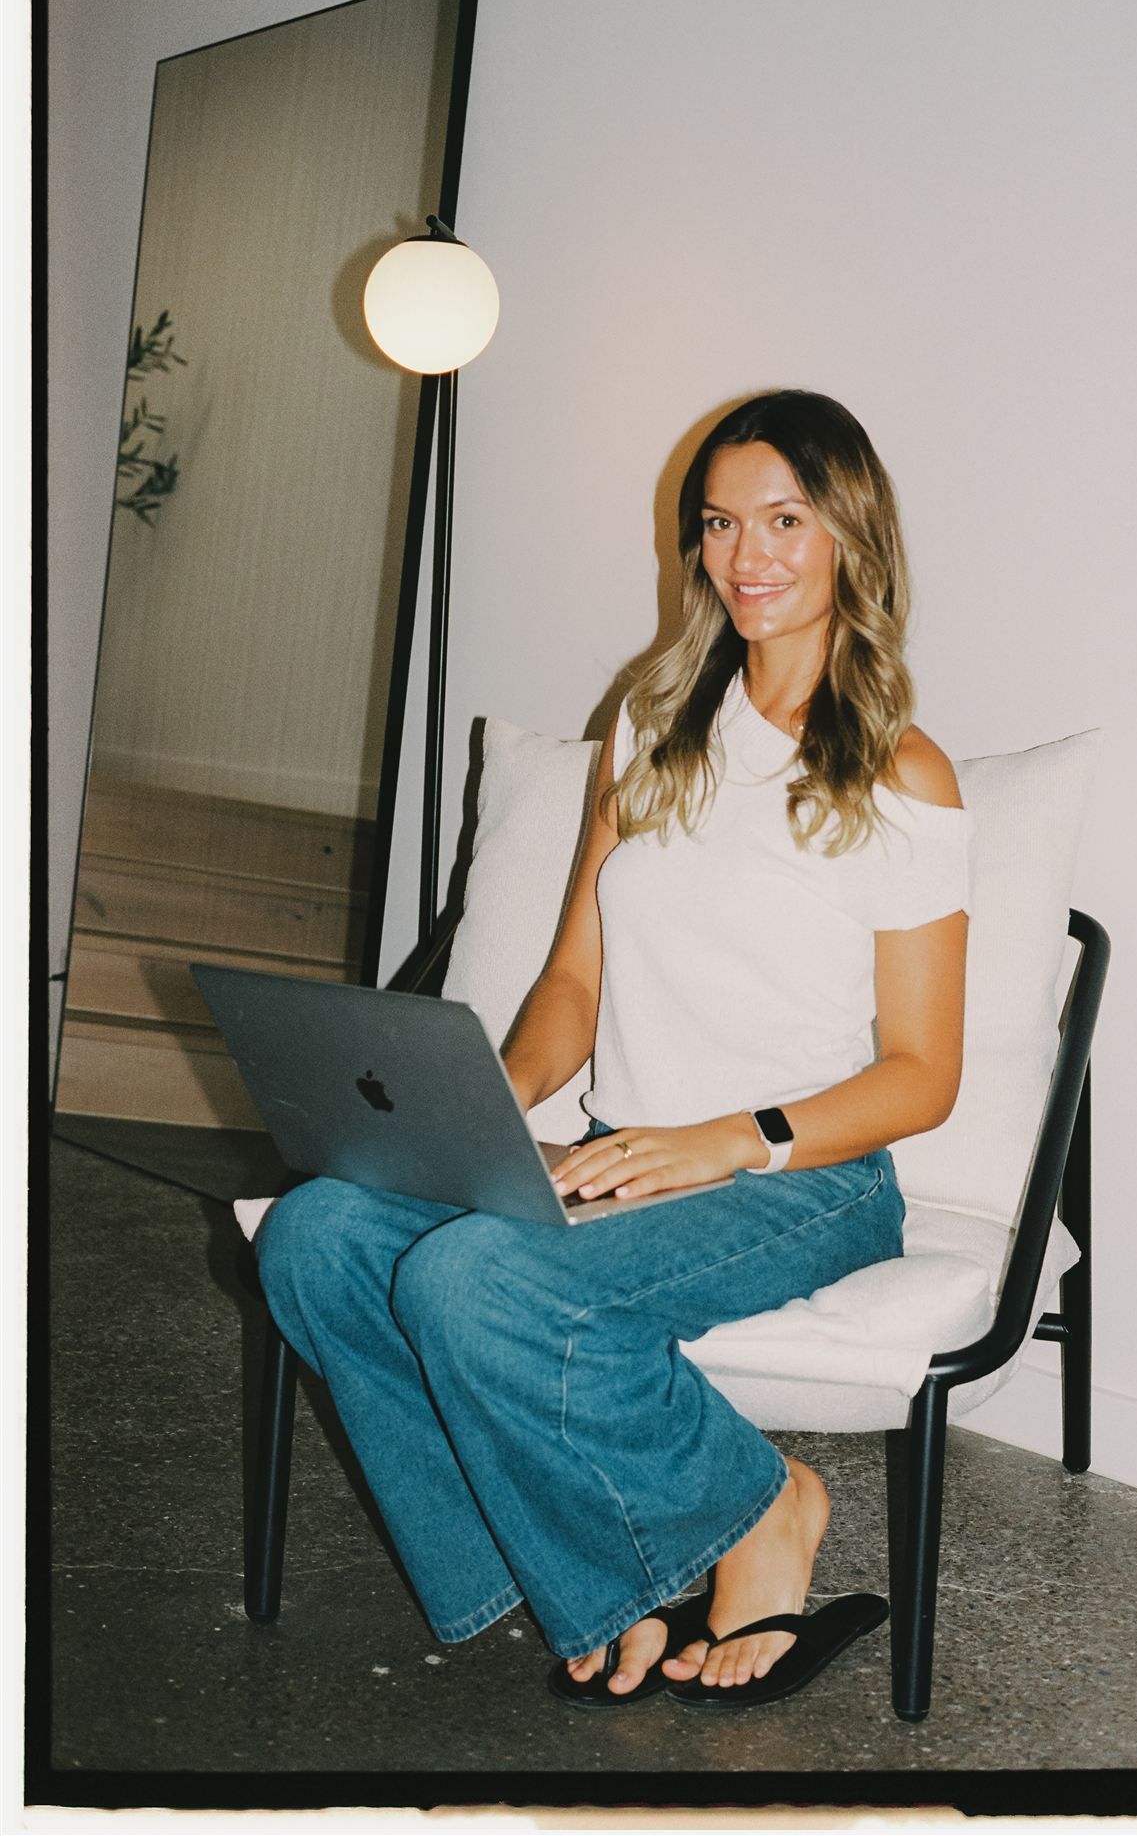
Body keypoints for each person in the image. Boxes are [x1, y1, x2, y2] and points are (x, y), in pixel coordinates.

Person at [255, 388, 971, 1710]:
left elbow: (924, 1075)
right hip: (621, 1153)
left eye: (784, 520)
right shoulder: (651, 729)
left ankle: (766, 1506)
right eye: (720, 524)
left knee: (470, 1280)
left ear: (851, 535)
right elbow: (574, 978)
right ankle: (585, 1576)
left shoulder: (901, 776)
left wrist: (722, 1141)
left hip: (802, 1178)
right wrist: (477, 1110)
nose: (746, 556)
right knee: (318, 1235)